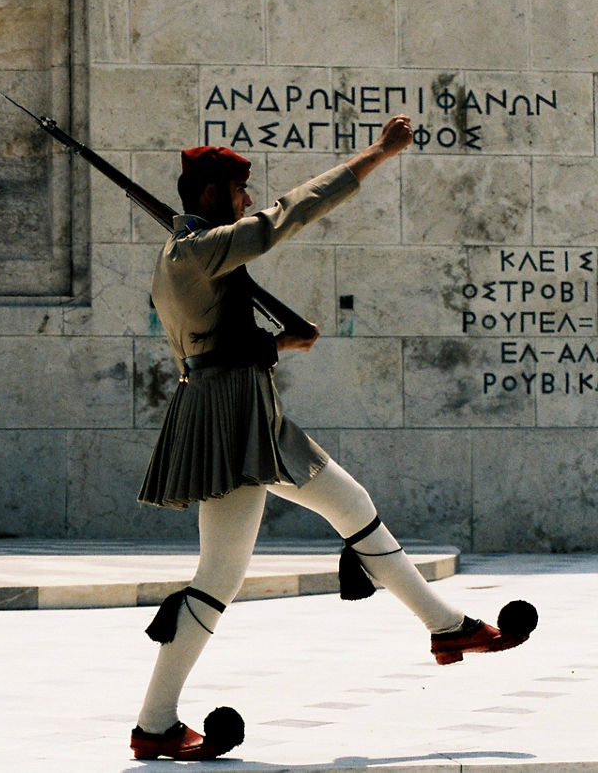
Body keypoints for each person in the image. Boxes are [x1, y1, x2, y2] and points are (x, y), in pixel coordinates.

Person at [130, 116, 536, 761]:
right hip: (233, 417)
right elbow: (287, 216)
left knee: (334, 516)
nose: (247, 201)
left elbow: (213, 343)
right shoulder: (200, 250)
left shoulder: (191, 252)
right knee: (226, 572)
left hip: (239, 410)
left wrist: (274, 343)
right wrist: (377, 153)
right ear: (209, 194)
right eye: (239, 191)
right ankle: (154, 723)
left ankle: (446, 626)